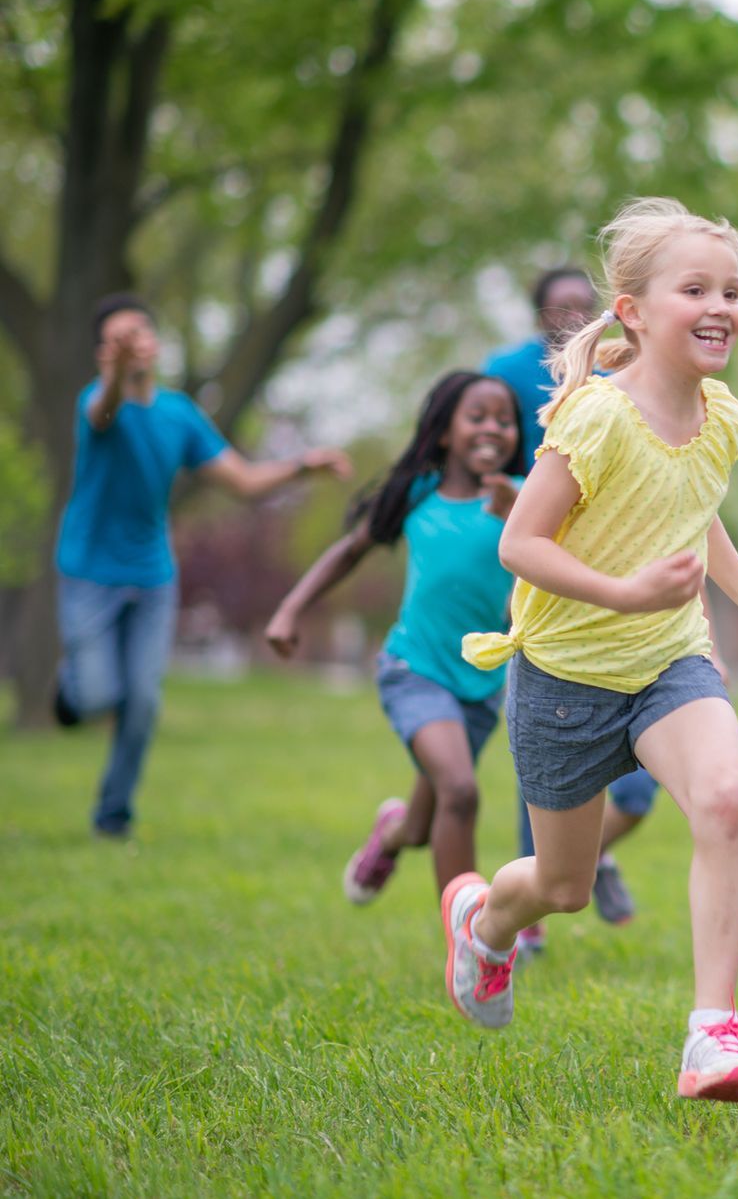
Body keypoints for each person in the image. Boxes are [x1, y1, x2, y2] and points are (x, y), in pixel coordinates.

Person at [448, 197, 738, 1106]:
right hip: (566, 676)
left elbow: (697, 512)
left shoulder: (722, 416)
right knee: (563, 885)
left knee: (727, 798)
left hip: (670, 659)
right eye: (695, 287)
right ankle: (482, 921)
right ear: (633, 310)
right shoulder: (596, 419)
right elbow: (521, 545)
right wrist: (622, 592)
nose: (721, 305)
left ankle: (713, 1035)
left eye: (731, 289)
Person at [54, 293, 350, 838]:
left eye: (137, 333)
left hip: (151, 573)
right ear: (102, 354)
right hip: (89, 569)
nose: (130, 345)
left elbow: (242, 481)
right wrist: (116, 374)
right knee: (96, 697)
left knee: (141, 700)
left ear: (155, 343)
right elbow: (106, 410)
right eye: (117, 340)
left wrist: (304, 465)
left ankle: (113, 816)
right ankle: (70, 685)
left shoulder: (178, 415)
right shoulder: (95, 402)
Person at [264, 371, 521, 904]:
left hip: (481, 684)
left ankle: (391, 833)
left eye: (505, 420)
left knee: (428, 824)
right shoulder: (417, 492)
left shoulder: (526, 498)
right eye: (478, 417)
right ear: (445, 431)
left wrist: (516, 512)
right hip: (415, 669)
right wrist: (290, 609)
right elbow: (350, 550)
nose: (493, 429)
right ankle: (470, 936)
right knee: (461, 790)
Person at [483, 265, 660, 953]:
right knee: (555, 774)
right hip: (556, 600)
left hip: (642, 614)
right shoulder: (506, 369)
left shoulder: (622, 366)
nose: (571, 317)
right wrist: (510, 495)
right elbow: (486, 438)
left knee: (639, 796)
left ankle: (591, 857)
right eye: (558, 307)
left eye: (582, 306)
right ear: (535, 314)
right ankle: (527, 911)